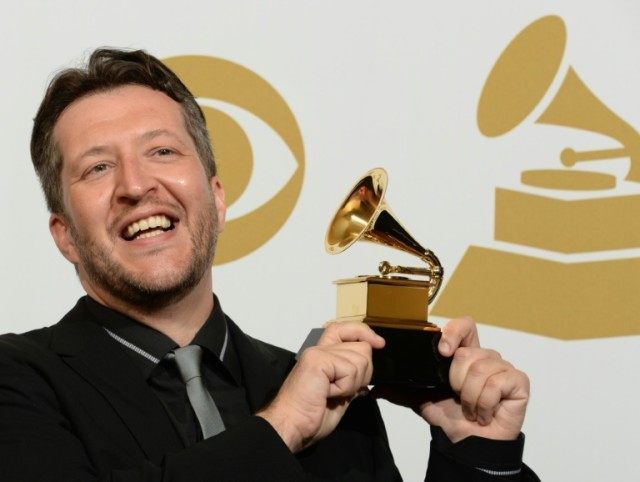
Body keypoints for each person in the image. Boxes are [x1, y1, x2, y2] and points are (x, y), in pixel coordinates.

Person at [0, 48, 539, 481]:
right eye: (97, 167)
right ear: (65, 235)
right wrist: (281, 427)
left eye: (162, 151)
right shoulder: (19, 381)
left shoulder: (331, 392)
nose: (136, 185)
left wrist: (478, 454)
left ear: (216, 197)